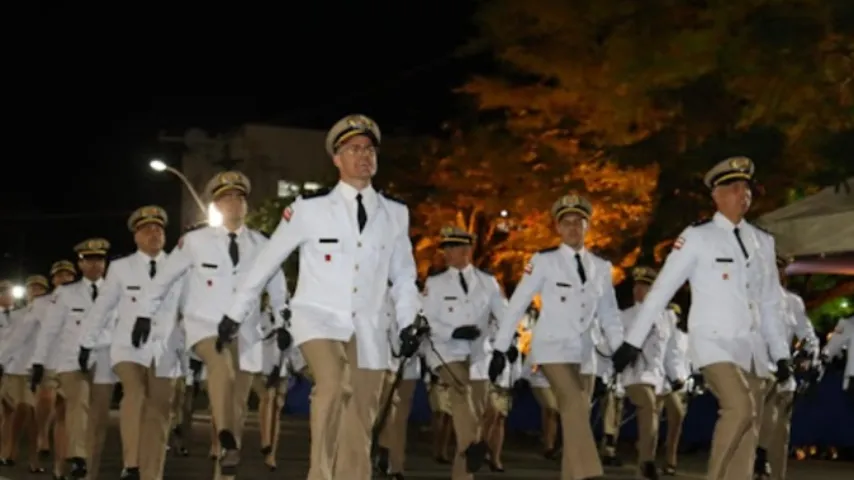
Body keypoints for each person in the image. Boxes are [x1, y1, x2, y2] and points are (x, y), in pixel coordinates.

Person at [221, 114, 422, 480]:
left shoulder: (395, 213)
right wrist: (236, 312)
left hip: (370, 323)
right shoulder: (307, 210)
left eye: (369, 149)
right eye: (353, 149)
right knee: (333, 383)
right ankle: (319, 473)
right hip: (317, 317)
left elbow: (404, 275)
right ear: (337, 158)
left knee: (362, 413)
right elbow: (266, 262)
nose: (364, 155)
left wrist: (409, 320)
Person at [612, 156, 792, 480]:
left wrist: (780, 354)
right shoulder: (698, 237)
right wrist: (632, 341)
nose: (743, 193)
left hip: (751, 349)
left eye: (746, 187)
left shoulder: (763, 242)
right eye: (734, 187)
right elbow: (660, 291)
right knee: (739, 407)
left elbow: (769, 303)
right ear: (717, 196)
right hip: (712, 341)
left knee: (749, 424)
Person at [133, 171, 289, 479]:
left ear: (246, 205)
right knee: (221, 367)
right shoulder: (194, 242)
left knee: (239, 404)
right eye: (226, 198)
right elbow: (163, 280)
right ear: (216, 205)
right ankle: (225, 436)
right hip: (204, 327)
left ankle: (227, 464)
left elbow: (277, 286)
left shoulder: (261, 244)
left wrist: (283, 321)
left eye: (239, 197)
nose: (233, 203)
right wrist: (143, 314)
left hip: (245, 332)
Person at [490, 194, 624, 480]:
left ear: (588, 227)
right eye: (567, 223)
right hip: (551, 347)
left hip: (586, 353)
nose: (573, 228)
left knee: (576, 418)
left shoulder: (601, 268)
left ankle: (572, 475)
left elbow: (610, 314)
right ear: (558, 228)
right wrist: (501, 348)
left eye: (579, 222)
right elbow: (518, 303)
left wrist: (620, 349)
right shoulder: (544, 261)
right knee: (575, 404)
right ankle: (592, 473)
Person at [77, 205, 184, 480]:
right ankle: (132, 463)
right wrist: (86, 342)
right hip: (128, 346)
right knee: (135, 393)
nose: (153, 233)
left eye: (158, 229)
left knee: (160, 411)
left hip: (164, 349)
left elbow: (189, 308)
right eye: (147, 229)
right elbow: (103, 306)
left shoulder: (179, 265)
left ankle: (152, 473)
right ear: (136, 236)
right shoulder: (122, 268)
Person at [422, 226, 508, 480]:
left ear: (466, 251)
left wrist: (504, 348)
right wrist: (453, 331)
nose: (447, 253)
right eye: (445, 249)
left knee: (474, 413)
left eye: (453, 248)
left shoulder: (487, 282)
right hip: (445, 352)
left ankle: (463, 472)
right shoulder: (434, 283)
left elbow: (504, 316)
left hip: (479, 355)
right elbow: (426, 318)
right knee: (462, 391)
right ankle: (476, 442)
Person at [31, 238, 117, 479]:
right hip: (70, 361)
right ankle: (77, 456)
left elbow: (118, 327)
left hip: (103, 360)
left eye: (99, 260)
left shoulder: (115, 291)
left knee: (98, 419)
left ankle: (90, 471)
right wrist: (38, 362)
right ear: (80, 265)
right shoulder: (66, 294)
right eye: (88, 260)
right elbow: (50, 330)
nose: (94, 265)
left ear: (105, 264)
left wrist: (93, 345)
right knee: (78, 402)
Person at [754, 256, 820, 480]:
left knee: (780, 435)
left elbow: (808, 336)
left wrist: (809, 356)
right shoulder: (748, 299)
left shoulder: (793, 302)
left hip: (784, 377)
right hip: (755, 376)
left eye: (779, 269)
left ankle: (769, 468)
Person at [619, 266, 680, 479]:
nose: (638, 289)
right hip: (634, 375)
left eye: (644, 286)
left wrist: (677, 375)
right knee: (648, 407)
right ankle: (647, 462)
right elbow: (610, 347)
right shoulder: (625, 316)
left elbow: (671, 350)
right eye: (636, 285)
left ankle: (643, 468)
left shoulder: (668, 317)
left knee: (653, 421)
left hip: (659, 377)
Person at [0, 275, 51, 472]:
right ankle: (11, 452)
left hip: (39, 369)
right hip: (18, 369)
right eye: (32, 288)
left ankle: (28, 457)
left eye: (40, 288)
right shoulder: (20, 314)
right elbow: (13, 341)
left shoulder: (50, 312)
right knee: (20, 413)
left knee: (31, 415)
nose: (35, 291)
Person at [658, 303, 691, 476]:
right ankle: (647, 455)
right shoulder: (662, 334)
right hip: (663, 383)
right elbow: (662, 359)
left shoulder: (685, 335)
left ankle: (670, 459)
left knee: (675, 425)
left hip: (680, 385)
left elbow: (687, 360)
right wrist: (672, 377)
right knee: (658, 421)